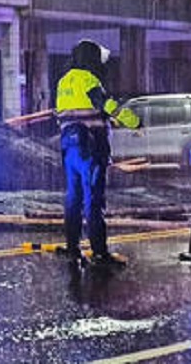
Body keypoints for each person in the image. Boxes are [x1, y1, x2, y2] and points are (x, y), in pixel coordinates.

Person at [54, 39, 140, 268]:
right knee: (94, 200)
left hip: (69, 148)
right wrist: (133, 121)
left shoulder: (64, 81)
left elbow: (68, 112)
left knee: (73, 199)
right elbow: (105, 104)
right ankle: (100, 253)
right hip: (91, 148)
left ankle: (73, 249)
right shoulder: (88, 79)